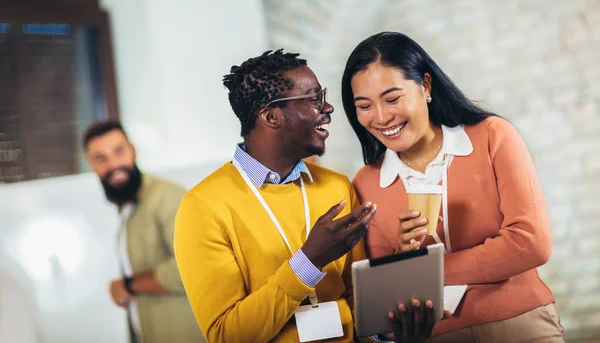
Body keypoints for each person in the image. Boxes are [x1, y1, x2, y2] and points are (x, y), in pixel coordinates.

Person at [174, 49, 439, 343]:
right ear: (271, 116)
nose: (328, 109)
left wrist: (390, 333)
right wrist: (308, 262)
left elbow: (358, 303)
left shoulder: (336, 187)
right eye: (314, 99)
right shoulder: (202, 207)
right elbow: (226, 335)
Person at [341, 31, 564, 342]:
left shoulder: (492, 136)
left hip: (519, 323)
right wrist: (404, 254)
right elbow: (383, 302)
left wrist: (422, 272)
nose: (381, 117)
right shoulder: (365, 183)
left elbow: (530, 243)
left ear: (426, 86)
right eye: (364, 105)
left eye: (392, 98)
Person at [83, 121, 206, 343]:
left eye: (118, 151)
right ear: (91, 164)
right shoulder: (127, 209)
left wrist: (128, 285)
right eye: (100, 158)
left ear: (133, 149)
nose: (113, 165)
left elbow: (192, 267)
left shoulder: (166, 196)